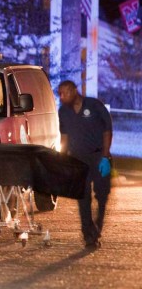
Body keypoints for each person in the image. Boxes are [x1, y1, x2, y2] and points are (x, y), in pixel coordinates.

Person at [57, 80, 113, 250]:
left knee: (102, 195)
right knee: (83, 197)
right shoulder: (63, 112)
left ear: (75, 91)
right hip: (78, 159)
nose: (62, 96)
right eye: (60, 93)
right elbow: (64, 138)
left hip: (98, 156)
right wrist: (62, 160)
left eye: (65, 92)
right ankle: (88, 233)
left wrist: (105, 155)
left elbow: (107, 130)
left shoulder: (94, 105)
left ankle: (98, 225)